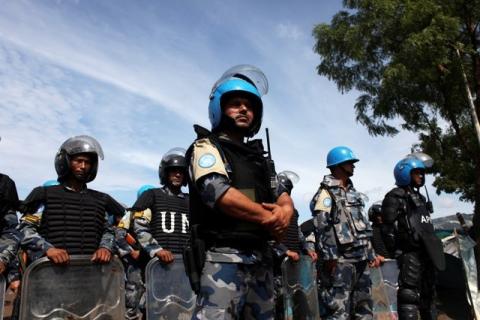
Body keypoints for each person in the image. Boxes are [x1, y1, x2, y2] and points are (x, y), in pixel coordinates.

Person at [185, 65, 293, 319]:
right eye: (235, 103)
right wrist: (269, 218)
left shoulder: (260, 158)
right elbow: (218, 192)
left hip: (261, 259)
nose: (244, 109)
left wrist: (286, 210)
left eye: (249, 105)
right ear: (219, 108)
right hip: (224, 258)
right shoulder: (206, 147)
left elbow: (280, 192)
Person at [19, 135, 125, 264]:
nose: (83, 166)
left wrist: (105, 247)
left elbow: (108, 230)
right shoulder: (44, 195)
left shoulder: (99, 200)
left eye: (88, 162)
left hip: (92, 272)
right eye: (78, 161)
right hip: (51, 273)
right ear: (65, 161)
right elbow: (26, 228)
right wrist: (47, 249)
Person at [310, 146, 381, 319]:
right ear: (338, 165)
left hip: (361, 260)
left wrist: (371, 253)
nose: (353, 166)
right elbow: (322, 225)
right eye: (350, 163)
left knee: (364, 308)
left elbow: (362, 225)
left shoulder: (354, 193)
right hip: (341, 262)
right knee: (338, 311)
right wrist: (330, 258)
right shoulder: (325, 194)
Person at [381, 155, 444, 320]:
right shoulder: (394, 196)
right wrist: (399, 251)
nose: (421, 176)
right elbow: (387, 228)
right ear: (405, 173)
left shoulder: (421, 199)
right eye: (417, 173)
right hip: (410, 254)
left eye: (422, 173)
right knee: (408, 296)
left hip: (427, 252)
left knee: (429, 295)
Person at [131, 148, 190, 264]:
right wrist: (156, 249)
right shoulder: (151, 195)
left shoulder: (191, 200)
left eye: (181, 171)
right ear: (166, 173)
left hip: (185, 264)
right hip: (157, 265)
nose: (178, 175)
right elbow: (139, 227)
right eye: (173, 170)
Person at [272, 171, 317, 319]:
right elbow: (269, 238)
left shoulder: (293, 211)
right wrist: (285, 251)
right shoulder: (270, 209)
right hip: (277, 268)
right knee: (279, 306)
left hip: (294, 266)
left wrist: (308, 249)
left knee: (300, 305)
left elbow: (298, 234)